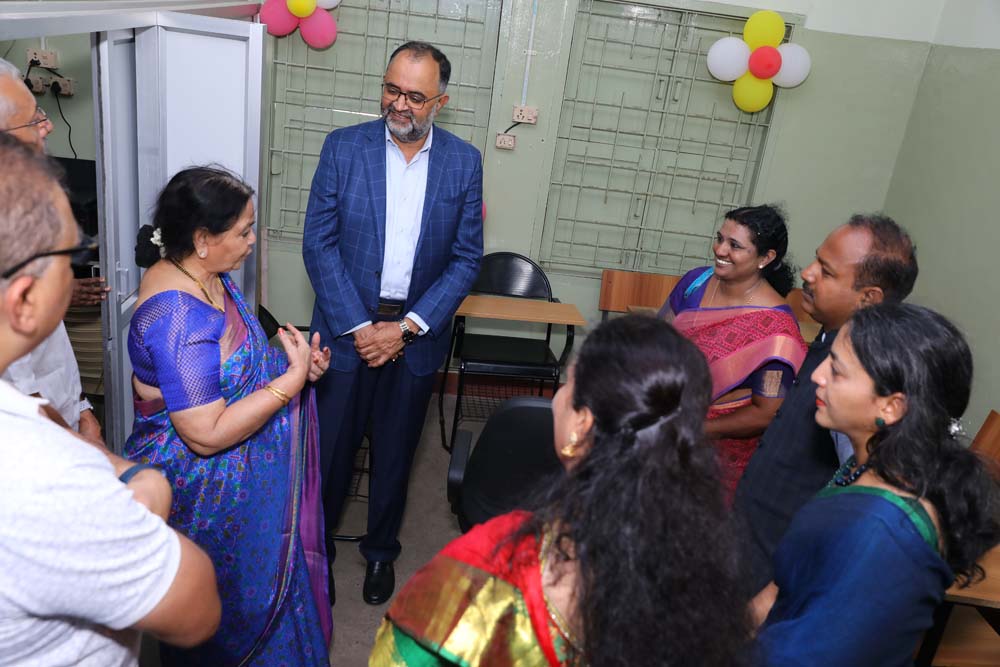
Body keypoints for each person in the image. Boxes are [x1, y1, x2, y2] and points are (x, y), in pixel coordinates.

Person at [370, 315, 749, 666]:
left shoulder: (493, 566)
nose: (557, 397)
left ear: (581, 425)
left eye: (569, 384)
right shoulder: (707, 579)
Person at [0, 133, 221, 666]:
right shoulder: (42, 475)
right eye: (72, 256)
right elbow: (196, 608)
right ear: (24, 298)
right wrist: (146, 485)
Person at [126, 166, 333, 665]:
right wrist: (289, 383)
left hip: (239, 487)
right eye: (243, 231)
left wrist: (293, 367)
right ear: (202, 240)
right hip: (206, 498)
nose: (252, 240)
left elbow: (229, 371)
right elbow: (206, 433)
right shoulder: (179, 316)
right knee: (222, 617)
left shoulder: (206, 277)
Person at [303, 40, 483, 605]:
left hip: (415, 338)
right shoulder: (343, 147)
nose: (399, 104)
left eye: (414, 96)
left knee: (396, 454)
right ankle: (318, 554)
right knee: (331, 454)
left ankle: (381, 551)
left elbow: (466, 259)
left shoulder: (464, 162)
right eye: (391, 89)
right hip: (345, 332)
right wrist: (361, 328)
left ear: (440, 102)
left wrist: (405, 329)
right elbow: (318, 243)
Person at [752, 303, 1000, 665]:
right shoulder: (868, 464)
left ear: (892, 407)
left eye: (837, 370)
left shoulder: (881, 535)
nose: (818, 375)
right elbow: (784, 588)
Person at [733, 214, 918, 595]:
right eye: (816, 259)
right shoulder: (830, 341)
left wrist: (780, 587)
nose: (808, 273)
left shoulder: (860, 380)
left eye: (827, 271)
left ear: (868, 299)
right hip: (749, 550)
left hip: (778, 573)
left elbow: (860, 500)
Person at [660, 205, 806, 500]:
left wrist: (697, 428)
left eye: (735, 245)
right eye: (719, 238)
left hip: (714, 458)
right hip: (659, 427)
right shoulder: (695, 282)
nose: (720, 250)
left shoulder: (775, 330)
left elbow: (767, 412)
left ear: (766, 258)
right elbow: (655, 340)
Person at [0, 56, 108, 443]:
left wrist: (82, 407)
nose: (48, 126)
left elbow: (49, 354)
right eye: (33, 120)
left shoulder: (25, 200)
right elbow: (19, 390)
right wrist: (86, 451)